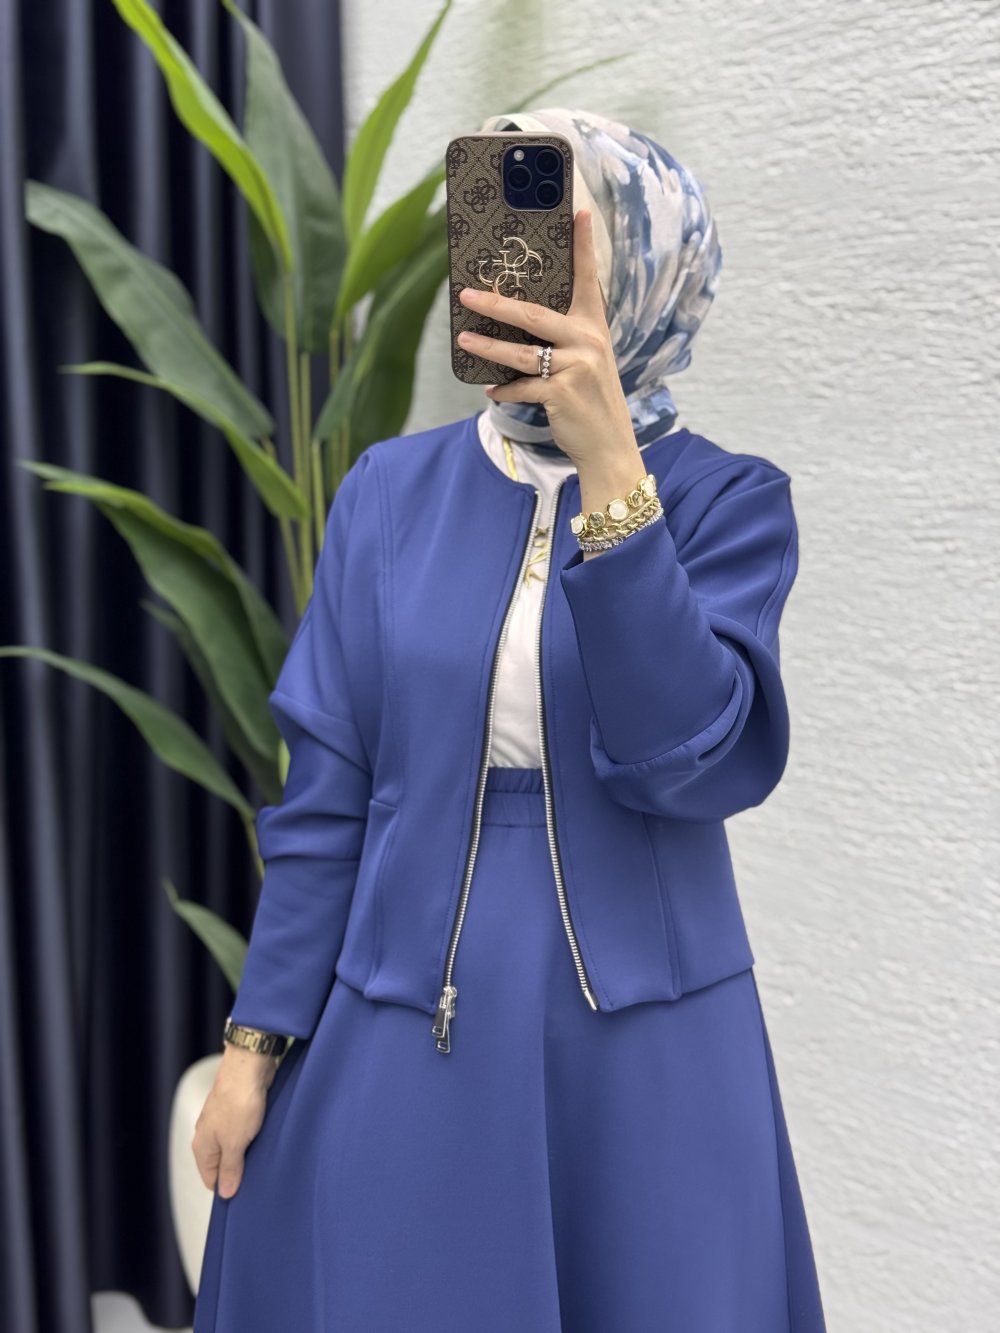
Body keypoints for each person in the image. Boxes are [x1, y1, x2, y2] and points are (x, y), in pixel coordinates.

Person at [191, 107, 827, 1332]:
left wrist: (612, 475)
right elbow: (328, 798)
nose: (504, 269)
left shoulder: (727, 503)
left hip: (645, 1049)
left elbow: (686, 761)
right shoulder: (389, 492)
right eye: (485, 225)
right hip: (404, 1019)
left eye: (557, 237)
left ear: (642, 267)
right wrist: (253, 1044)